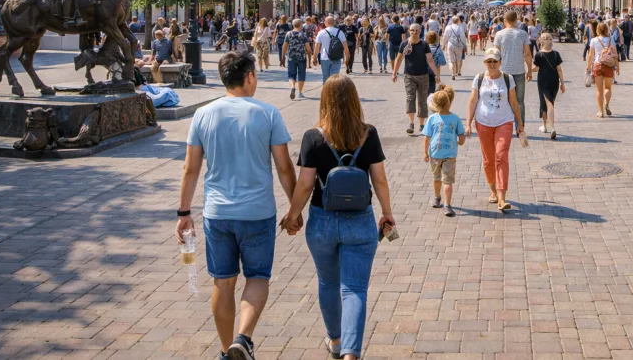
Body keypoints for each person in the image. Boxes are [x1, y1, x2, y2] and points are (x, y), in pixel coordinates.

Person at [174, 51, 298, 360]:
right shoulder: (268, 113)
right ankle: (243, 339)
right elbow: (284, 168)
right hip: (257, 212)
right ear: (250, 77)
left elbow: (190, 168)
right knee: (257, 277)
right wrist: (295, 210)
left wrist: (184, 213)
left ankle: (224, 349)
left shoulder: (204, 114)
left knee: (223, 281)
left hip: (217, 212)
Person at [281, 75, 394, 360]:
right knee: (355, 288)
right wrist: (387, 212)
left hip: (323, 219)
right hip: (360, 219)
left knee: (328, 283)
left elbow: (306, 184)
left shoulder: (313, 136)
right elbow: (379, 179)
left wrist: (292, 216)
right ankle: (350, 353)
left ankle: (334, 340)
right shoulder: (368, 133)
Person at [467, 48, 525, 211]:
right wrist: (467, 122)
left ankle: (501, 197)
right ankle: (492, 190)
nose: (492, 64)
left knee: (501, 157)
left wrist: (519, 123)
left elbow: (514, 102)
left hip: (504, 121)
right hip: (483, 122)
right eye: (489, 61)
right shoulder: (478, 79)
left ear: (500, 62)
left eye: (495, 61)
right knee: (488, 159)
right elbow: (472, 101)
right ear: (485, 62)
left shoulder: (508, 79)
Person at [422, 86, 465, 217]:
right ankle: (447, 205)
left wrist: (425, 153)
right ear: (449, 103)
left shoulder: (432, 119)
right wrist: (459, 142)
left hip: (434, 154)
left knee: (437, 179)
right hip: (450, 154)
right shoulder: (456, 118)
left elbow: (427, 137)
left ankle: (436, 197)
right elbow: (461, 136)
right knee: (448, 181)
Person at [392, 22, 440, 135]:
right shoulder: (404, 44)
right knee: (410, 98)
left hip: (423, 75)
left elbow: (430, 60)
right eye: (412, 30)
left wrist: (436, 74)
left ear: (420, 31)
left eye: (417, 30)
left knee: (422, 100)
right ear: (409, 31)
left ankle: (422, 124)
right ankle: (411, 123)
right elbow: (398, 59)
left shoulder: (424, 44)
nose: (414, 32)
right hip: (409, 75)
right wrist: (394, 73)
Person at [494, 10, 532, 133]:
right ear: (516, 20)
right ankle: (520, 127)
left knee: (504, 99)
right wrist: (529, 70)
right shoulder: (523, 34)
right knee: (520, 101)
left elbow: (496, 55)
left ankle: (505, 126)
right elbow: (527, 54)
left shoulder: (499, 34)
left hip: (504, 72)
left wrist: (493, 71)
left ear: (504, 21)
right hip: (519, 71)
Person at [532, 32, 565, 139]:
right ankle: (545, 125)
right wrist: (562, 83)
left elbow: (536, 69)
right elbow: (559, 69)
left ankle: (551, 127)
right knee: (548, 102)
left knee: (548, 103)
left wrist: (528, 70)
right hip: (554, 81)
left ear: (540, 42)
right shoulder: (556, 54)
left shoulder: (539, 55)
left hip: (543, 82)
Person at [585, 22, 617, 118]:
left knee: (599, 90)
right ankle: (606, 104)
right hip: (608, 65)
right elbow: (615, 54)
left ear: (597, 30)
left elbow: (591, 55)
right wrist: (617, 66)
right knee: (608, 88)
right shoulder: (610, 40)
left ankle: (601, 112)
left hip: (598, 65)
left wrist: (588, 66)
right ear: (606, 29)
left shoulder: (594, 40)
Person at [313, 16, 350, 84]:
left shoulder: (321, 33)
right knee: (335, 78)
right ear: (334, 23)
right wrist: (347, 58)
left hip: (324, 58)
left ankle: (326, 93)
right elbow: (345, 47)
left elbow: (316, 47)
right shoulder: (340, 32)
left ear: (325, 23)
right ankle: (334, 92)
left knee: (326, 77)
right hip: (336, 57)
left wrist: (314, 58)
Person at [283, 18, 312, 100]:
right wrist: (309, 61)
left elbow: (284, 46)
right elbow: (308, 49)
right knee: (301, 75)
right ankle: (300, 92)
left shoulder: (288, 34)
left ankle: (292, 87)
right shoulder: (303, 35)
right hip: (302, 58)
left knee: (291, 75)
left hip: (291, 57)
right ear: (301, 25)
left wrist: (282, 58)